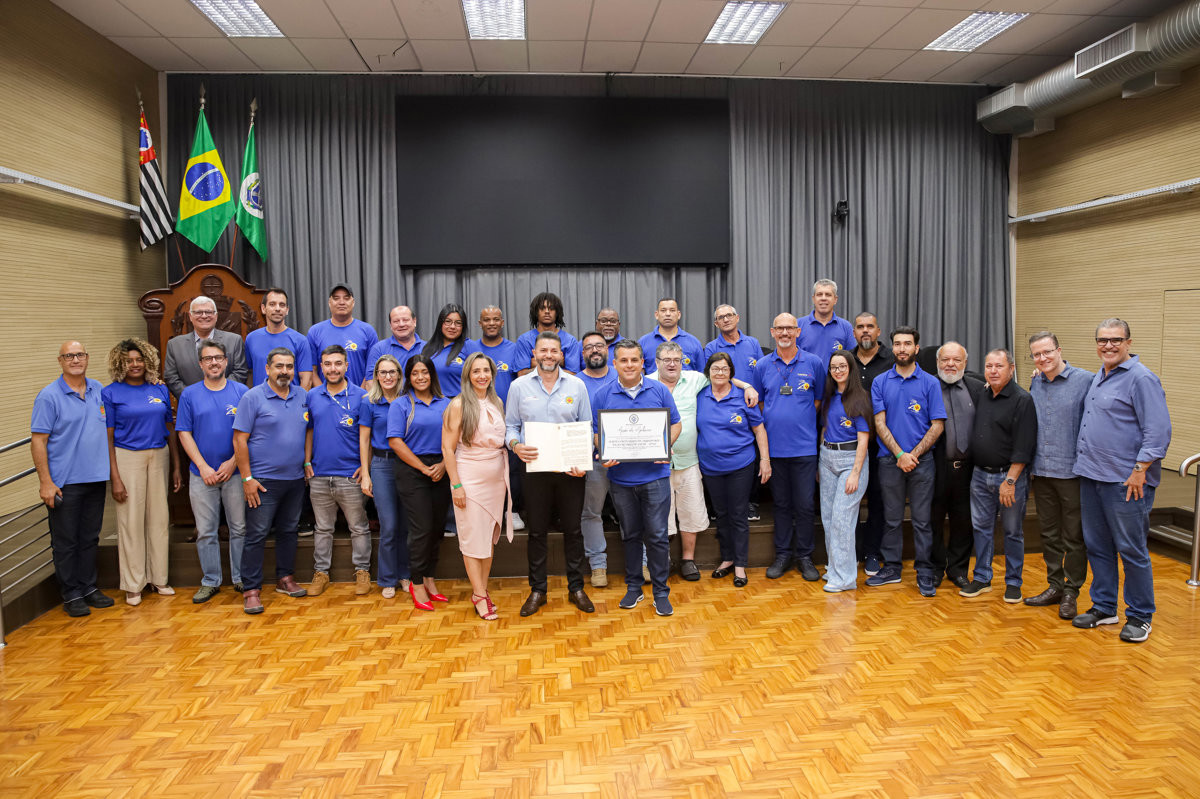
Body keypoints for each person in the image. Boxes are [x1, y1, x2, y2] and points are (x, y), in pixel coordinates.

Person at [1072, 319, 1171, 643]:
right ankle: (1104, 607)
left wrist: (1140, 469)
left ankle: (1141, 616)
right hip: (1092, 476)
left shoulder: (1141, 379)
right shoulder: (1101, 375)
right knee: (1098, 547)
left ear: (1128, 341)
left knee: (1132, 550)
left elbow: (1158, 431)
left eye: (1115, 340)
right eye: (1102, 340)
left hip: (1126, 483)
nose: (1108, 345)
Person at [650, 341, 760, 581]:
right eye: (666, 360)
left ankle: (688, 560)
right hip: (657, 464)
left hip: (690, 461)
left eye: (676, 360)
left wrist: (747, 385)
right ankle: (663, 560)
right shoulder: (647, 383)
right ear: (656, 362)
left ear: (682, 362)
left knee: (690, 512)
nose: (671, 364)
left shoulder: (695, 380)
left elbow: (722, 376)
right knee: (661, 514)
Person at [506, 333, 595, 615]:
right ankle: (538, 590)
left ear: (561, 355)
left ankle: (576, 588)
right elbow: (510, 427)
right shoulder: (519, 386)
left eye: (553, 351)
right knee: (537, 532)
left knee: (573, 530)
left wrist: (583, 460)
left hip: (571, 471)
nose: (548, 355)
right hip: (533, 471)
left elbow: (587, 427)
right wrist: (516, 445)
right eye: (543, 350)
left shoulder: (577, 385)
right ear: (534, 353)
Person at [593, 340, 681, 617]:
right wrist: (603, 450)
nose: (629, 365)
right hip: (621, 479)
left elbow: (676, 423)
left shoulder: (659, 390)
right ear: (614, 363)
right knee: (629, 535)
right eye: (623, 360)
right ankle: (634, 587)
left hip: (655, 477)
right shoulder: (603, 394)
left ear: (643, 363)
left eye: (634, 360)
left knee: (656, 536)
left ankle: (660, 592)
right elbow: (596, 432)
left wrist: (666, 446)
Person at [31, 341, 115, 617]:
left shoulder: (98, 390)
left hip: (94, 478)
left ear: (87, 358)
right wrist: (45, 481)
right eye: (69, 356)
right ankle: (71, 593)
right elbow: (39, 441)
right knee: (66, 541)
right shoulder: (49, 396)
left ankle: (89, 587)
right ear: (61, 361)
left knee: (90, 537)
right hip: (64, 482)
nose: (75, 359)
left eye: (79, 355)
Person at [868, 326, 946, 595]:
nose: (902, 348)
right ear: (893, 348)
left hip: (923, 463)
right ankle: (891, 567)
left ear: (916, 349)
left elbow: (937, 425)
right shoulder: (880, 382)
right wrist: (900, 454)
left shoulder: (931, 383)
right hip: (890, 461)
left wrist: (914, 455)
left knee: (922, 520)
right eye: (897, 344)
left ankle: (924, 571)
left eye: (907, 344)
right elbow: (879, 423)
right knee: (891, 518)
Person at [103, 338, 180, 606]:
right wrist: (115, 477)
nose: (135, 365)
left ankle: (159, 578)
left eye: (139, 360)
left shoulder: (159, 389)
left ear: (147, 362)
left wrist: (177, 467)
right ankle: (134, 584)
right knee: (131, 520)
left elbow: (170, 429)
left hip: (159, 455)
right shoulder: (110, 393)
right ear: (119, 364)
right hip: (127, 457)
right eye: (129, 361)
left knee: (159, 519)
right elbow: (108, 437)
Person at [233, 347, 310, 614]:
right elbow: (239, 439)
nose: (285, 371)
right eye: (279, 366)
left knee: (289, 531)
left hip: (295, 479)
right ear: (267, 369)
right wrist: (247, 478)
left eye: (289, 366)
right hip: (263, 481)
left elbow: (307, 430)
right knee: (256, 535)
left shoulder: (302, 395)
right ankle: (251, 589)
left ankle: (285, 578)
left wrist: (307, 463)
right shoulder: (252, 397)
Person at [752, 313, 825, 582]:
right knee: (781, 505)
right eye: (780, 328)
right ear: (773, 332)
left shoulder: (814, 363)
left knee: (805, 505)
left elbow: (818, 402)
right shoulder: (761, 365)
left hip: (805, 449)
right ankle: (782, 555)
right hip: (775, 450)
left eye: (789, 328)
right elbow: (760, 405)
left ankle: (804, 557)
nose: (785, 333)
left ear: (798, 331)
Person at [959, 349, 1037, 604]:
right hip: (980, 476)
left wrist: (1011, 481)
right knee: (981, 529)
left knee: (1013, 531)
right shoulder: (981, 392)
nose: (993, 371)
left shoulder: (1022, 399)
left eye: (999, 366)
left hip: (1009, 478)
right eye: (989, 366)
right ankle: (982, 578)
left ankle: (1013, 583)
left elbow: (1024, 446)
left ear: (1011, 369)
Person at [1024, 331, 1092, 620]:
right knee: (1048, 534)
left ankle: (1072, 591)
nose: (1042, 359)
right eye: (1036, 355)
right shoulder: (1035, 382)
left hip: (1073, 473)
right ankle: (1054, 585)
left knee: (1073, 536)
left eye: (1047, 352)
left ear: (1059, 350)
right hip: (1042, 471)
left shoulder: (1085, 381)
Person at [176, 339, 250, 603]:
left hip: (235, 472)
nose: (214, 362)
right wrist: (203, 466)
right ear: (200, 364)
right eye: (208, 359)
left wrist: (233, 462)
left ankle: (241, 578)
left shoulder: (241, 392)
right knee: (206, 531)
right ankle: (210, 580)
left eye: (218, 357)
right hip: (201, 474)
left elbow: (247, 433)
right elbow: (184, 433)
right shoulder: (189, 394)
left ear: (227, 361)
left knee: (239, 528)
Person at [443, 352, 513, 620]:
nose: (482, 375)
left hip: (496, 479)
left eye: (486, 370)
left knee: (487, 539)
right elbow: (447, 450)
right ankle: (480, 595)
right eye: (476, 371)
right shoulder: (459, 405)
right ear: (467, 376)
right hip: (469, 479)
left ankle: (480, 590)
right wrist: (457, 485)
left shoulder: (497, 402)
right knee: (473, 540)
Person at [696, 352, 769, 587]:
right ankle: (726, 559)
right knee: (722, 514)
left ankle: (740, 565)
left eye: (725, 369)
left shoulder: (743, 397)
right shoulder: (699, 396)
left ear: (731, 372)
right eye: (715, 369)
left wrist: (765, 460)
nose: (720, 373)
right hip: (710, 467)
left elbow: (759, 430)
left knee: (738, 514)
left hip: (741, 465)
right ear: (708, 372)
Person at [304, 345, 371, 597]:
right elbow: (309, 430)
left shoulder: (361, 397)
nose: (333, 368)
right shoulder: (311, 396)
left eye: (337, 363)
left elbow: (367, 437)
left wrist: (364, 468)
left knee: (358, 527)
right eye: (328, 364)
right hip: (319, 475)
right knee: (322, 528)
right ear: (321, 367)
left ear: (347, 366)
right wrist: (306, 461)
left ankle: (362, 571)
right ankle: (321, 573)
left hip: (349, 475)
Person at [387, 355, 452, 610]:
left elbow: (455, 439)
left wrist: (444, 465)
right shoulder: (401, 404)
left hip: (441, 467)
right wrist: (423, 468)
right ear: (408, 377)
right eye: (415, 373)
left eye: (425, 372)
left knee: (437, 528)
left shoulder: (446, 403)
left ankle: (430, 578)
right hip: (412, 471)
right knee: (422, 529)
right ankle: (416, 583)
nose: (420, 377)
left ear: (432, 374)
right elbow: (395, 441)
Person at [931, 342, 985, 591]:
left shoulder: (978, 387)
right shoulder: (927, 386)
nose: (950, 365)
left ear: (965, 363)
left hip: (967, 469)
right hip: (934, 467)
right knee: (932, 520)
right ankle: (934, 569)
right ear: (938, 362)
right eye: (945, 360)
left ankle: (958, 569)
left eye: (957, 360)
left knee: (963, 522)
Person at [360, 355, 410, 600]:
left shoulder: (407, 401)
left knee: (405, 526)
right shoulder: (369, 402)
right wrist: (366, 474)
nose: (388, 376)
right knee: (389, 525)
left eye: (392, 372)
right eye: (383, 372)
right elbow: (364, 440)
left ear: (399, 375)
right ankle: (387, 578)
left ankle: (405, 575)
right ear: (376, 376)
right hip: (381, 466)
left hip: (407, 466)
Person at [477, 304, 526, 531]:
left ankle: (512, 509)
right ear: (480, 323)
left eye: (496, 319)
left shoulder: (514, 348)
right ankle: (488, 508)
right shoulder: (471, 348)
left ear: (502, 323)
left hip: (508, 417)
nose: (492, 323)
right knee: (485, 465)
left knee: (513, 466)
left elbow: (522, 381)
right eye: (487, 320)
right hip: (478, 417)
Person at [852, 312, 893, 575]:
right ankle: (852, 550)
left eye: (870, 327)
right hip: (850, 442)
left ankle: (872, 552)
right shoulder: (845, 360)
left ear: (878, 331)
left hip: (882, 441)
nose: (865, 331)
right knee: (851, 499)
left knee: (878, 499)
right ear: (853, 332)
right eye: (860, 327)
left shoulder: (892, 360)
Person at [578, 331, 617, 586]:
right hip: (592, 460)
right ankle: (598, 566)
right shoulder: (574, 383)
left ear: (607, 350)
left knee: (633, 513)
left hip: (626, 462)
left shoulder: (623, 376)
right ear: (582, 354)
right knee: (591, 513)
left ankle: (644, 562)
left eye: (599, 346)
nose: (595, 350)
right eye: (589, 347)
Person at [164, 295, 248, 399]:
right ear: (190, 316)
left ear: (216, 316)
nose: (204, 316)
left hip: (226, 403)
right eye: (198, 312)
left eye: (208, 312)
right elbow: (171, 377)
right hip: (191, 404)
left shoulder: (234, 340)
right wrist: (192, 398)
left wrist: (219, 394)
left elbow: (240, 372)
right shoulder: (174, 344)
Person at [306, 284, 378, 387]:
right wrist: (324, 396)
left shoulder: (368, 331)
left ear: (353, 302)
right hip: (325, 400)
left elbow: (372, 370)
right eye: (336, 298)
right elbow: (311, 371)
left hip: (360, 398)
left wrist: (359, 396)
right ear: (329, 303)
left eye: (346, 298)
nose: (341, 302)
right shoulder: (315, 332)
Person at [244, 287, 313, 389]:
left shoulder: (300, 340)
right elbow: (249, 373)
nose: (277, 308)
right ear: (263, 308)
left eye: (282, 305)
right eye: (272, 304)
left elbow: (306, 380)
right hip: (260, 403)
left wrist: (299, 404)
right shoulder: (251, 339)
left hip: (289, 402)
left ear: (287, 310)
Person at [420, 302, 479, 397]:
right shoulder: (427, 348)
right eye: (448, 321)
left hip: (460, 405)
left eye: (458, 323)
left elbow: (481, 379)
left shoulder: (470, 346)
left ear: (463, 327)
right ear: (440, 323)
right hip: (431, 405)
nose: (452, 326)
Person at [515, 292, 582, 374]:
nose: (547, 311)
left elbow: (574, 375)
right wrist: (557, 362)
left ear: (557, 312)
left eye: (551, 308)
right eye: (542, 308)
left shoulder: (570, 341)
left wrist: (537, 363)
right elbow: (521, 374)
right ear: (536, 312)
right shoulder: (524, 340)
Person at [638, 297, 704, 373]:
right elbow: (640, 376)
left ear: (678, 315)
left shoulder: (693, 343)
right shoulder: (643, 342)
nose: (668, 314)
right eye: (663, 310)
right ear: (656, 315)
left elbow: (702, 375)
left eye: (672, 310)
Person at [798, 279, 855, 359]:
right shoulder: (798, 325)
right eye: (819, 294)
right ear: (813, 299)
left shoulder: (846, 327)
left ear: (835, 300)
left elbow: (852, 359)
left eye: (828, 295)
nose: (823, 298)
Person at [365, 305, 425, 381]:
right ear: (390, 325)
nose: (401, 324)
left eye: (405, 320)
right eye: (396, 321)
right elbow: (370, 380)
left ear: (414, 321)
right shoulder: (379, 349)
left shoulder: (428, 348)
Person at [703, 304, 762, 378]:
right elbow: (711, 377)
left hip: (753, 390)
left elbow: (762, 371)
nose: (726, 320)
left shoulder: (753, 343)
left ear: (737, 318)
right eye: (721, 317)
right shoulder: (711, 348)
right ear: (716, 324)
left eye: (729, 315)